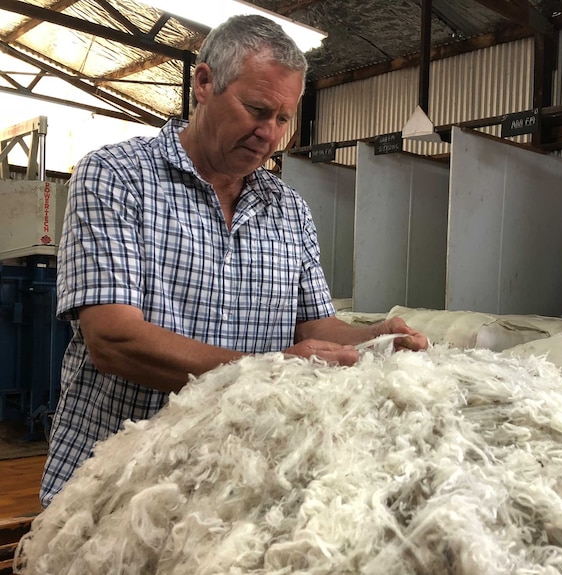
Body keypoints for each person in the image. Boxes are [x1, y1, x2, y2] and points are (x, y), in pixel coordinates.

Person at [41, 14, 428, 508]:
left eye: (284, 119)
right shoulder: (116, 177)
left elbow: (313, 325)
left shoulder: (287, 208)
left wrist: (371, 339)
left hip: (236, 483)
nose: (269, 133)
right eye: (256, 110)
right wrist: (267, 370)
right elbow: (114, 340)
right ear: (204, 83)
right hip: (118, 484)